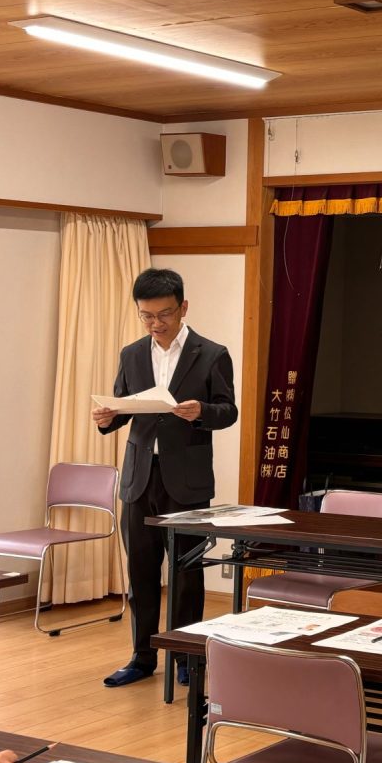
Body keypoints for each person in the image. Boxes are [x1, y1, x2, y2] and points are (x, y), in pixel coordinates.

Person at [92, 268, 238, 687]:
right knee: (141, 571)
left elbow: (228, 411)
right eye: (147, 316)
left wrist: (202, 412)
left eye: (164, 315)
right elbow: (124, 407)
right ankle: (142, 657)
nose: (156, 324)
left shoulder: (212, 354)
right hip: (139, 478)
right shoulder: (132, 354)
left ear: (183, 307)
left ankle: (186, 657)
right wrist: (107, 418)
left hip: (186, 481)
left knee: (186, 574)